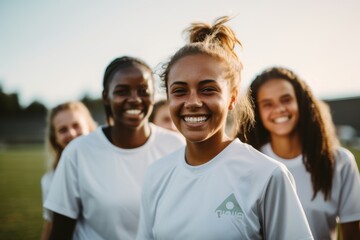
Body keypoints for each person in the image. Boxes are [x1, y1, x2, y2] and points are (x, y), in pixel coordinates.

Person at [136, 16, 313, 239]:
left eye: (208, 89)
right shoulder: (156, 174)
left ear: (231, 98)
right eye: (180, 91)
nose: (192, 102)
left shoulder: (267, 175)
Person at [44, 56, 185, 240]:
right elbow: (60, 232)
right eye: (122, 91)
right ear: (106, 97)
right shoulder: (78, 152)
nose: (134, 99)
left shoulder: (176, 145)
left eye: (143, 91)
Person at [241, 66, 360, 239]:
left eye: (286, 99)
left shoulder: (339, 162)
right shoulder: (249, 163)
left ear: (300, 102)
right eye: (268, 104)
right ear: (257, 112)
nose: (279, 109)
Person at [40, 101, 97, 240]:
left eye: (76, 125)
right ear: (55, 138)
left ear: (89, 127)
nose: (71, 133)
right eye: (62, 130)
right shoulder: (50, 179)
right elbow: (51, 223)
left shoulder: (109, 165)